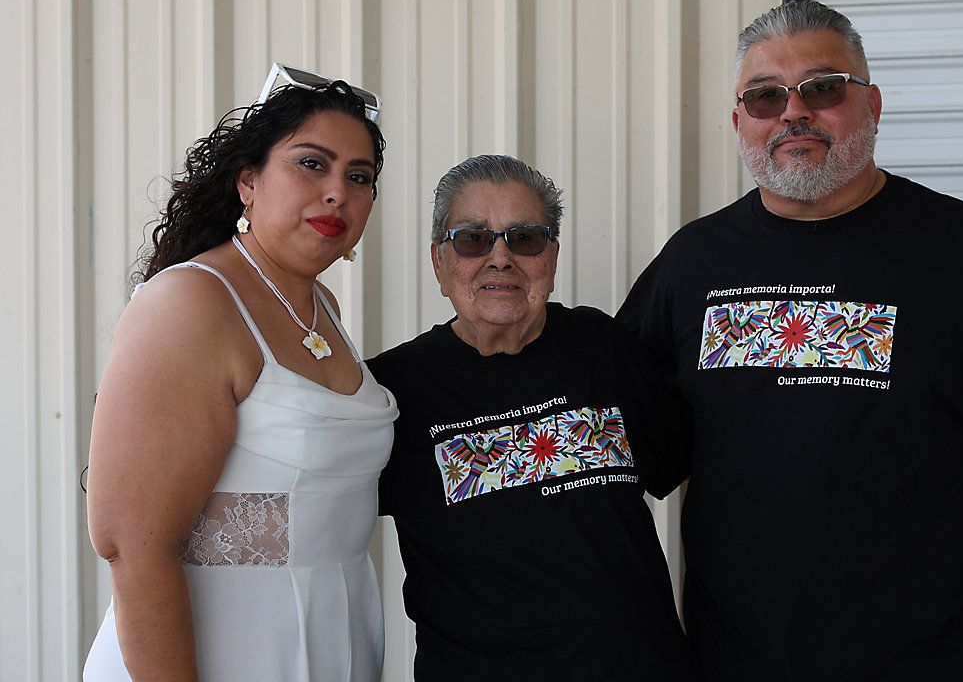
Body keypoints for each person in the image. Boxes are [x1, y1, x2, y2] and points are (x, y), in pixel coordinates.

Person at [616, 0, 963, 682]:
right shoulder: (692, 265)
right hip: (732, 660)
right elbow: (616, 445)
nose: (792, 112)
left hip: (928, 662)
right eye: (765, 97)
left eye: (822, 88)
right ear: (739, 121)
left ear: (872, 104)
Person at [84, 64, 396, 681]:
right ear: (248, 181)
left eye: (358, 177)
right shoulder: (191, 302)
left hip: (335, 637)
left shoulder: (322, 307)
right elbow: (133, 545)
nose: (337, 191)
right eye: (312, 163)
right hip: (226, 650)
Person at [367, 154, 697, 681]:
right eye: (472, 240)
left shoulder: (605, 347)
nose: (500, 258)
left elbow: (682, 463)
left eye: (525, 239)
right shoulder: (391, 391)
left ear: (553, 256)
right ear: (439, 262)